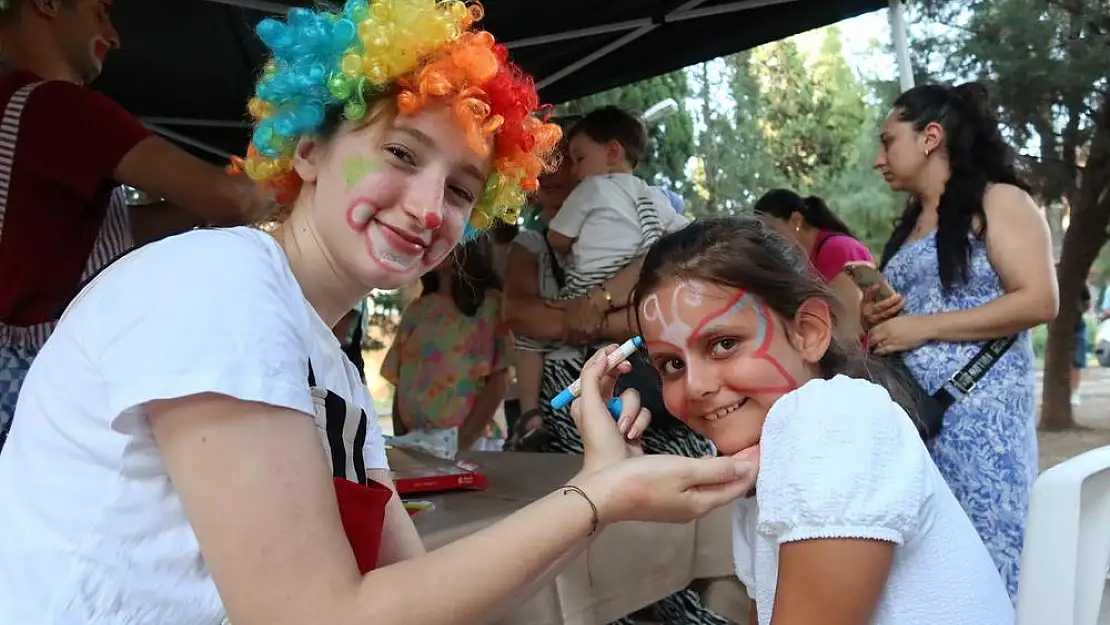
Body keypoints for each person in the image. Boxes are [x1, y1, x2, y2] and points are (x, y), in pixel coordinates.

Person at [0, 3, 759, 623]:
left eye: (462, 189)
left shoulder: (330, 368)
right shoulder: (218, 284)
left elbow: (416, 594)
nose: (430, 209)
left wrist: (599, 489)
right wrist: (596, 498)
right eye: (401, 154)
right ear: (305, 151)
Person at [633, 216, 1014, 625]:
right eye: (671, 364)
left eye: (724, 344)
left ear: (808, 332)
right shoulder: (764, 460)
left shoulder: (833, 423)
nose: (695, 386)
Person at [0, 0, 267, 450]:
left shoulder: (13, 106)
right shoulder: (59, 104)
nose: (116, 36)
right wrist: (274, 167)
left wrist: (206, 201)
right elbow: (234, 202)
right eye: (100, 11)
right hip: (35, 383)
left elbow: (113, 232)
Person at [503, 131, 728, 625]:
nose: (549, 177)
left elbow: (676, 287)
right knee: (607, 526)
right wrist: (612, 313)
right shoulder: (533, 242)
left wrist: (597, 309)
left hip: (649, 387)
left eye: (564, 160)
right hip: (581, 387)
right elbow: (521, 316)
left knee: (674, 516)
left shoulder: (637, 212)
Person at [866, 82, 1058, 600]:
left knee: (988, 553)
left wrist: (922, 327)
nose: (878, 159)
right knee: (932, 569)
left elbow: (1039, 300)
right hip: (918, 422)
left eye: (888, 141)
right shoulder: (911, 226)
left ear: (931, 137)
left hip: (978, 420)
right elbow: (919, 309)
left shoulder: (1000, 200)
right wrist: (878, 313)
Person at [512, 105, 687, 432]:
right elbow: (522, 316)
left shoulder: (594, 192)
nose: (538, 197)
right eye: (536, 187)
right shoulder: (530, 246)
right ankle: (532, 415)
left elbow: (667, 306)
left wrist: (590, 307)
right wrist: (618, 317)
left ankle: (530, 413)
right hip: (582, 402)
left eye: (552, 184)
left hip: (619, 386)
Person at [382, 235, 512, 453]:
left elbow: (500, 378)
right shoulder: (417, 309)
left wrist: (464, 440)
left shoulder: (490, 305)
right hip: (416, 440)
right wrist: (403, 437)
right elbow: (400, 378)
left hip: (473, 442)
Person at [754, 188, 874, 341]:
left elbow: (851, 327)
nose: (767, 240)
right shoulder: (806, 261)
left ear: (796, 220)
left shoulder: (835, 249)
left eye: (770, 230)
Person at [1072, 283, 1092, 406]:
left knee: (1076, 362)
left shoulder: (1079, 284)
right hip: (1059, 331)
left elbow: (1087, 303)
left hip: (1078, 327)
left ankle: (1074, 392)